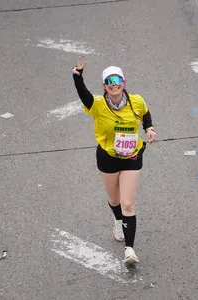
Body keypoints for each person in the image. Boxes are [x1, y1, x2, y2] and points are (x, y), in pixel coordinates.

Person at [72, 57, 157, 266]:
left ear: (124, 83)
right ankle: (118, 220)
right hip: (108, 157)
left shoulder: (136, 100)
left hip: (132, 157)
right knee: (115, 200)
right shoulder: (98, 105)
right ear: (105, 86)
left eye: (117, 80)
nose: (114, 84)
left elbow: (145, 113)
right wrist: (78, 76)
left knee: (128, 203)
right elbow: (84, 96)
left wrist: (149, 128)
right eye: (109, 81)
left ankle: (129, 250)